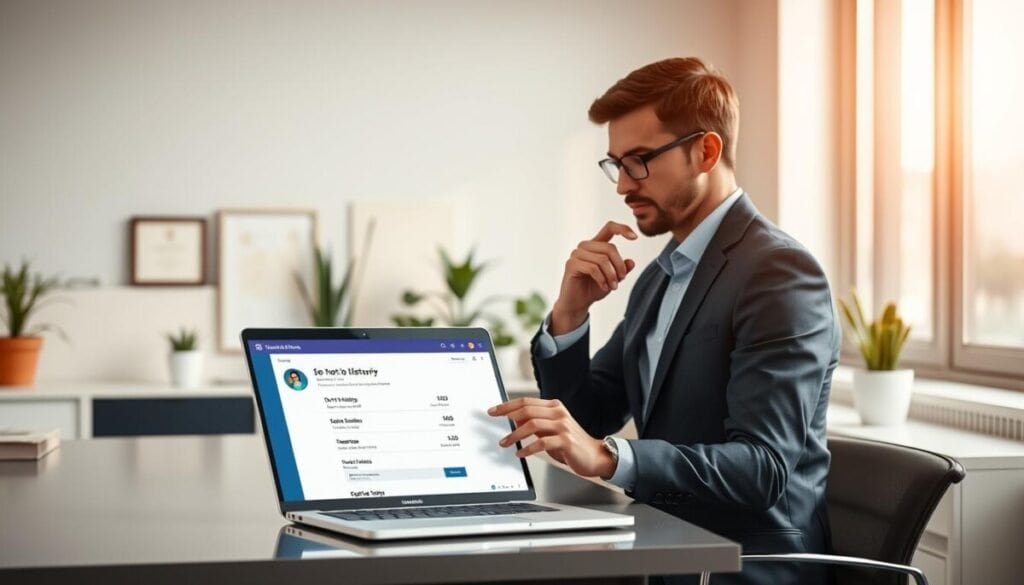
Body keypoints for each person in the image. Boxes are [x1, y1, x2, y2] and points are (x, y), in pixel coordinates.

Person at [488, 57, 840, 585]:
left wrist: (610, 459)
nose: (623, 186)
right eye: (615, 165)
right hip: (666, 550)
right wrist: (570, 314)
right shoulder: (661, 277)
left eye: (640, 161)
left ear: (707, 150)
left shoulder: (779, 273)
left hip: (744, 568)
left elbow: (763, 467)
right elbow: (592, 413)